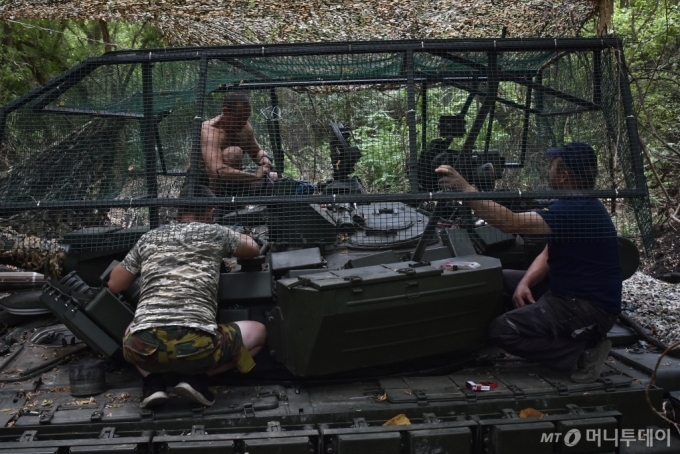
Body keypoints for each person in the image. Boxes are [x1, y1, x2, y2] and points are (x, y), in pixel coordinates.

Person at [436, 142, 622, 384]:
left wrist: (465, 189)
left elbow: (510, 223)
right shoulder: (578, 203)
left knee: (502, 330)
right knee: (494, 279)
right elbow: (547, 253)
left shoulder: (576, 208)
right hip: (568, 291)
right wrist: (525, 282)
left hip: (588, 307)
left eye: (553, 166)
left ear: (564, 175)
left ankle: (582, 355)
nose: (550, 171)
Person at [108, 184, 267, 408]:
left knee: (133, 327)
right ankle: (196, 379)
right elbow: (253, 248)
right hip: (198, 348)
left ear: (177, 212)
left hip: (142, 348)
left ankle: (153, 384)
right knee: (259, 333)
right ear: (211, 212)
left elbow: (115, 284)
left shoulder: (150, 237)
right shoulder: (215, 233)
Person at [199, 92, 277, 197]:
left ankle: (240, 204)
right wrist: (255, 175)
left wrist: (264, 158)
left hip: (234, 183)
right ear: (226, 111)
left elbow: (256, 151)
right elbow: (217, 171)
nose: (243, 123)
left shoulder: (245, 127)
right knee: (234, 152)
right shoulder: (208, 131)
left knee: (274, 178)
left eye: (246, 118)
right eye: (239, 118)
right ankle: (216, 207)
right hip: (204, 187)